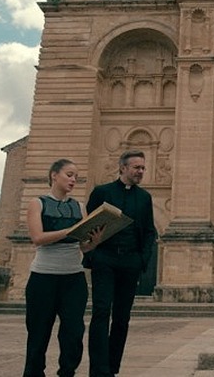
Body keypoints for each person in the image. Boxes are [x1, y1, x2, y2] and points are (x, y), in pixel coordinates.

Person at [23, 159, 102, 377]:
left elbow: (83, 245)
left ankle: (67, 373)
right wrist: (68, 231)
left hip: (73, 279)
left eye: (76, 176)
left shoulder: (78, 207)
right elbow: (37, 238)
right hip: (43, 278)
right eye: (69, 174)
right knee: (38, 334)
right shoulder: (37, 203)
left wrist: (94, 241)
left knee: (74, 333)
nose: (73, 179)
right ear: (54, 175)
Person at [85, 150, 158, 377]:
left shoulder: (145, 198)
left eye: (143, 168)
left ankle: (112, 367)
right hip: (105, 258)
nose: (141, 172)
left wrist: (141, 260)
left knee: (122, 317)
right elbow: (88, 224)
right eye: (137, 167)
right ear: (123, 168)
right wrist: (94, 253)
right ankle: (98, 370)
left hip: (130, 262)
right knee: (101, 312)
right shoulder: (101, 192)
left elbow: (148, 231)